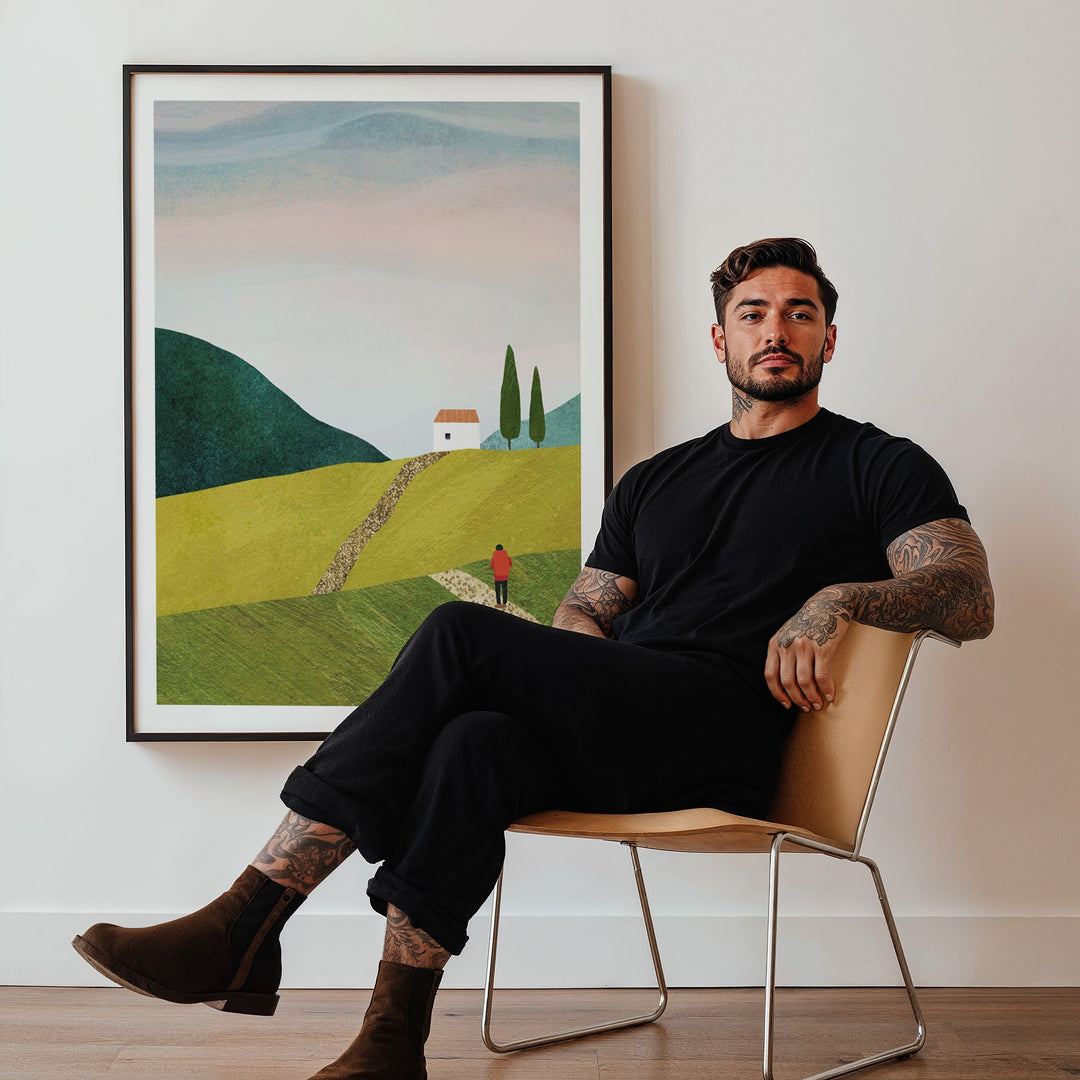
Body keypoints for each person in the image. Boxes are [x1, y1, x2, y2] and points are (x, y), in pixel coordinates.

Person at [72, 238, 994, 1080]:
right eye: (753, 313)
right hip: (625, 719)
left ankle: (245, 917)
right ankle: (392, 1042)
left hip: (728, 737)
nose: (777, 330)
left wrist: (840, 598)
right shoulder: (657, 480)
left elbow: (967, 593)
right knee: (477, 741)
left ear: (831, 337)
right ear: (719, 342)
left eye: (800, 312)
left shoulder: (879, 464)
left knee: (458, 631)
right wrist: (564, 668)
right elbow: (583, 616)